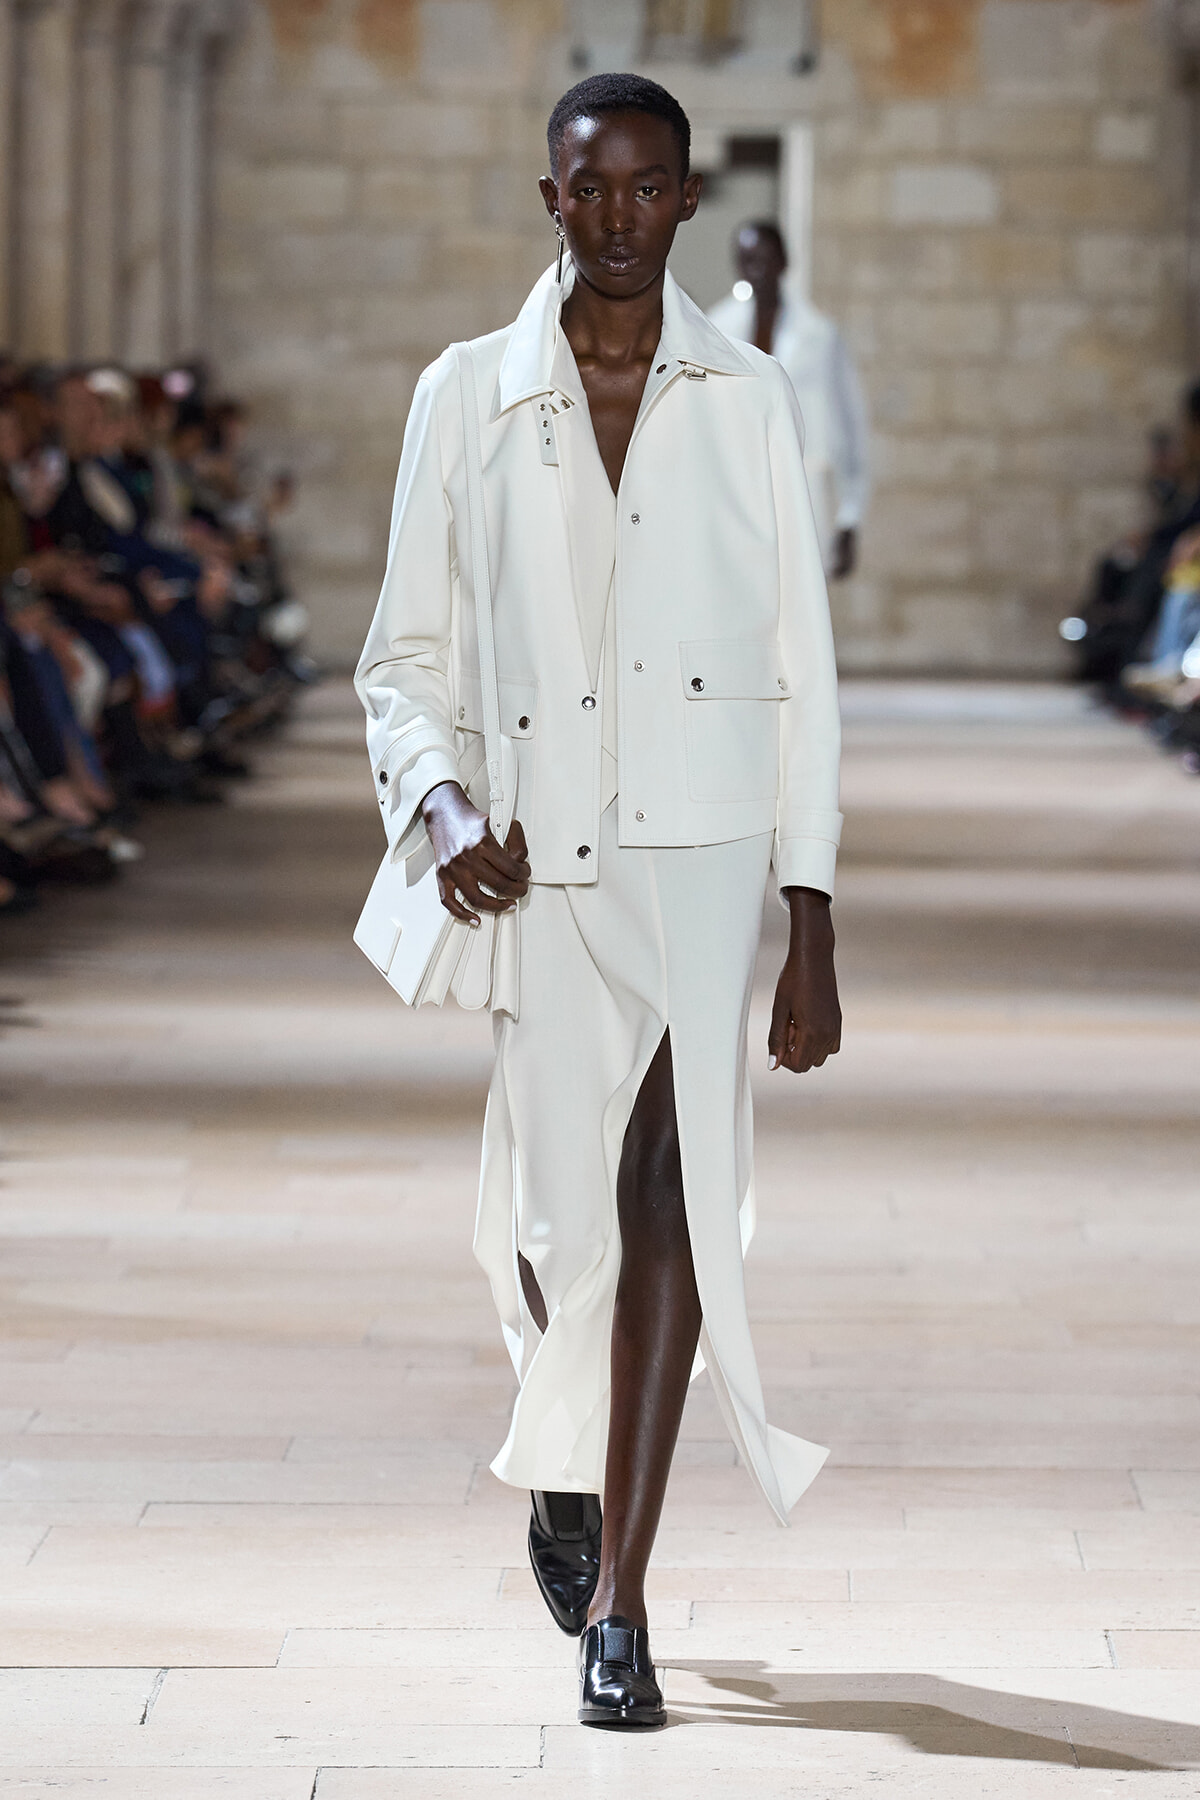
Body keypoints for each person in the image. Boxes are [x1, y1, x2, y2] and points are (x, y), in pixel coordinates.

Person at [355, 72, 843, 1729]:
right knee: (558, 1229)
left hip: (703, 859)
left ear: (690, 199)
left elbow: (803, 673)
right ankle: (566, 1466)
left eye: (653, 187)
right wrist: (435, 806)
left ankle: (624, 1597)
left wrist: (814, 913)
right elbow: (401, 662)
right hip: (541, 865)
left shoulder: (752, 396)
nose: (624, 216)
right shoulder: (464, 396)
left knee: (679, 1197)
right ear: (549, 197)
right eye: (594, 187)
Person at [708, 220, 870, 579]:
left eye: (765, 259)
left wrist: (850, 515)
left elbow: (850, 424)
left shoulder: (820, 336)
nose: (757, 270)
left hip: (804, 487)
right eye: (747, 260)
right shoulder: (715, 330)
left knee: (803, 607)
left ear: (783, 261)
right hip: (738, 493)